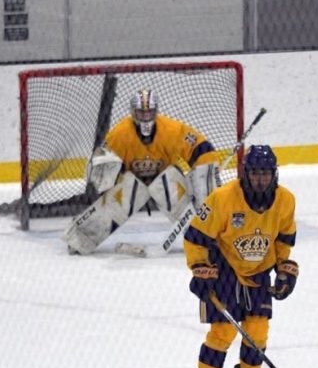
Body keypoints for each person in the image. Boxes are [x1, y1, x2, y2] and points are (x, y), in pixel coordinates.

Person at [183, 145, 298, 368]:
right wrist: (199, 269)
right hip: (224, 269)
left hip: (259, 271)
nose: (261, 180)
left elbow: (284, 237)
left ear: (275, 175)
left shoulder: (285, 200)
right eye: (256, 174)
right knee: (223, 332)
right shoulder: (223, 198)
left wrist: (285, 269)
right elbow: (195, 237)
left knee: (257, 333)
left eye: (266, 174)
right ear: (246, 174)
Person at [62, 88, 221, 254]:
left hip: (167, 180)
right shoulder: (120, 134)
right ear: (133, 112)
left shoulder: (172, 130)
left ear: (156, 111)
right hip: (134, 183)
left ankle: (206, 236)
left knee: (168, 186)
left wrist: (204, 183)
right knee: (120, 198)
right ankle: (80, 238)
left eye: (150, 112)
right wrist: (106, 179)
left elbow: (203, 149)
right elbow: (100, 167)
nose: (146, 117)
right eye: (141, 112)